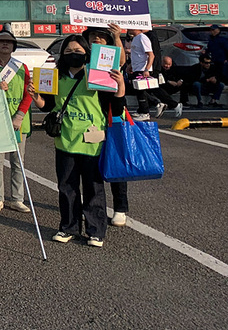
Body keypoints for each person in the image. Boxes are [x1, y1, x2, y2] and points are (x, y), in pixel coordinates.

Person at [30, 34, 124, 247]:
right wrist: (35, 96)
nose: (74, 55)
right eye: (69, 52)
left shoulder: (97, 76)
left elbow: (115, 105)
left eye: (79, 52)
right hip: (65, 141)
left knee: (93, 189)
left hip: (92, 141)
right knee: (67, 187)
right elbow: (47, 106)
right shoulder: (56, 77)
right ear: (62, 54)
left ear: (87, 54)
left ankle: (96, 231)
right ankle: (68, 227)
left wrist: (119, 86)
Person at [85, 25, 133, 228]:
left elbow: (121, 60)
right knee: (90, 166)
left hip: (112, 115)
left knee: (116, 163)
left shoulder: (111, 58)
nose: (96, 39)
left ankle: (120, 208)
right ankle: (94, 207)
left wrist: (117, 36)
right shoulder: (84, 60)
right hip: (88, 117)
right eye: (92, 36)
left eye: (101, 36)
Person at [0, 30, 33, 214]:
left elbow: (30, 92)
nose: (5, 44)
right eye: (1, 41)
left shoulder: (21, 67)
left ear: (13, 46)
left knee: (17, 161)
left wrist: (20, 115)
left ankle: (17, 198)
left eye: (8, 42)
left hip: (18, 121)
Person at [128, 28, 155, 121]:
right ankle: (146, 108)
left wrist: (147, 69)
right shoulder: (135, 38)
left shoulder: (142, 37)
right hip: (136, 68)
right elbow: (137, 55)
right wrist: (131, 65)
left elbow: (151, 55)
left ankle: (145, 112)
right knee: (138, 90)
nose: (128, 29)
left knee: (140, 92)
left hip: (142, 68)